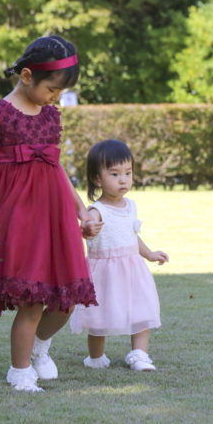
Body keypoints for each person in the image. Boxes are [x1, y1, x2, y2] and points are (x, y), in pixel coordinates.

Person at [0, 35, 103, 392]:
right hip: (19, 215)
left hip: (54, 215)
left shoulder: (51, 116)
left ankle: (39, 348)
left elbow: (57, 169)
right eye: (52, 89)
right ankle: (19, 370)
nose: (56, 97)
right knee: (34, 298)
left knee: (66, 298)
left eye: (60, 92)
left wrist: (82, 212)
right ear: (26, 76)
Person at [70, 140, 168, 371]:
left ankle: (139, 354)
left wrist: (149, 254)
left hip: (133, 269)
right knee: (98, 316)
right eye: (115, 174)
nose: (123, 179)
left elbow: (132, 236)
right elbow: (87, 229)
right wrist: (88, 229)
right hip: (105, 273)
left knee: (141, 309)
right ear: (97, 179)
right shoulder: (97, 210)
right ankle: (96, 357)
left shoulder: (130, 205)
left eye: (128, 173)